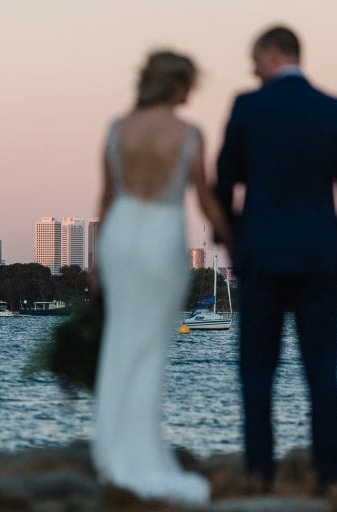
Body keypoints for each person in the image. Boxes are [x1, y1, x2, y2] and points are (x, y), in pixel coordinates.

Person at [216, 25, 337, 492]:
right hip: (320, 257)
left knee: (257, 370)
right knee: (322, 370)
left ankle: (260, 472)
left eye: (255, 61)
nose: (251, 70)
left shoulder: (248, 108)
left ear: (273, 54)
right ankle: (332, 474)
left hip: (261, 257)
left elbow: (223, 185)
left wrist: (235, 244)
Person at [93, 50, 230, 504]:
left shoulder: (118, 129)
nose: (192, 92)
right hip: (160, 235)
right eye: (189, 84)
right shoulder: (188, 133)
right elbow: (205, 199)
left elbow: (108, 198)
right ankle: (141, 455)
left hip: (120, 235)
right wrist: (234, 238)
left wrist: (96, 259)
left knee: (120, 339)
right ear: (175, 86)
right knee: (151, 343)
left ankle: (113, 453)